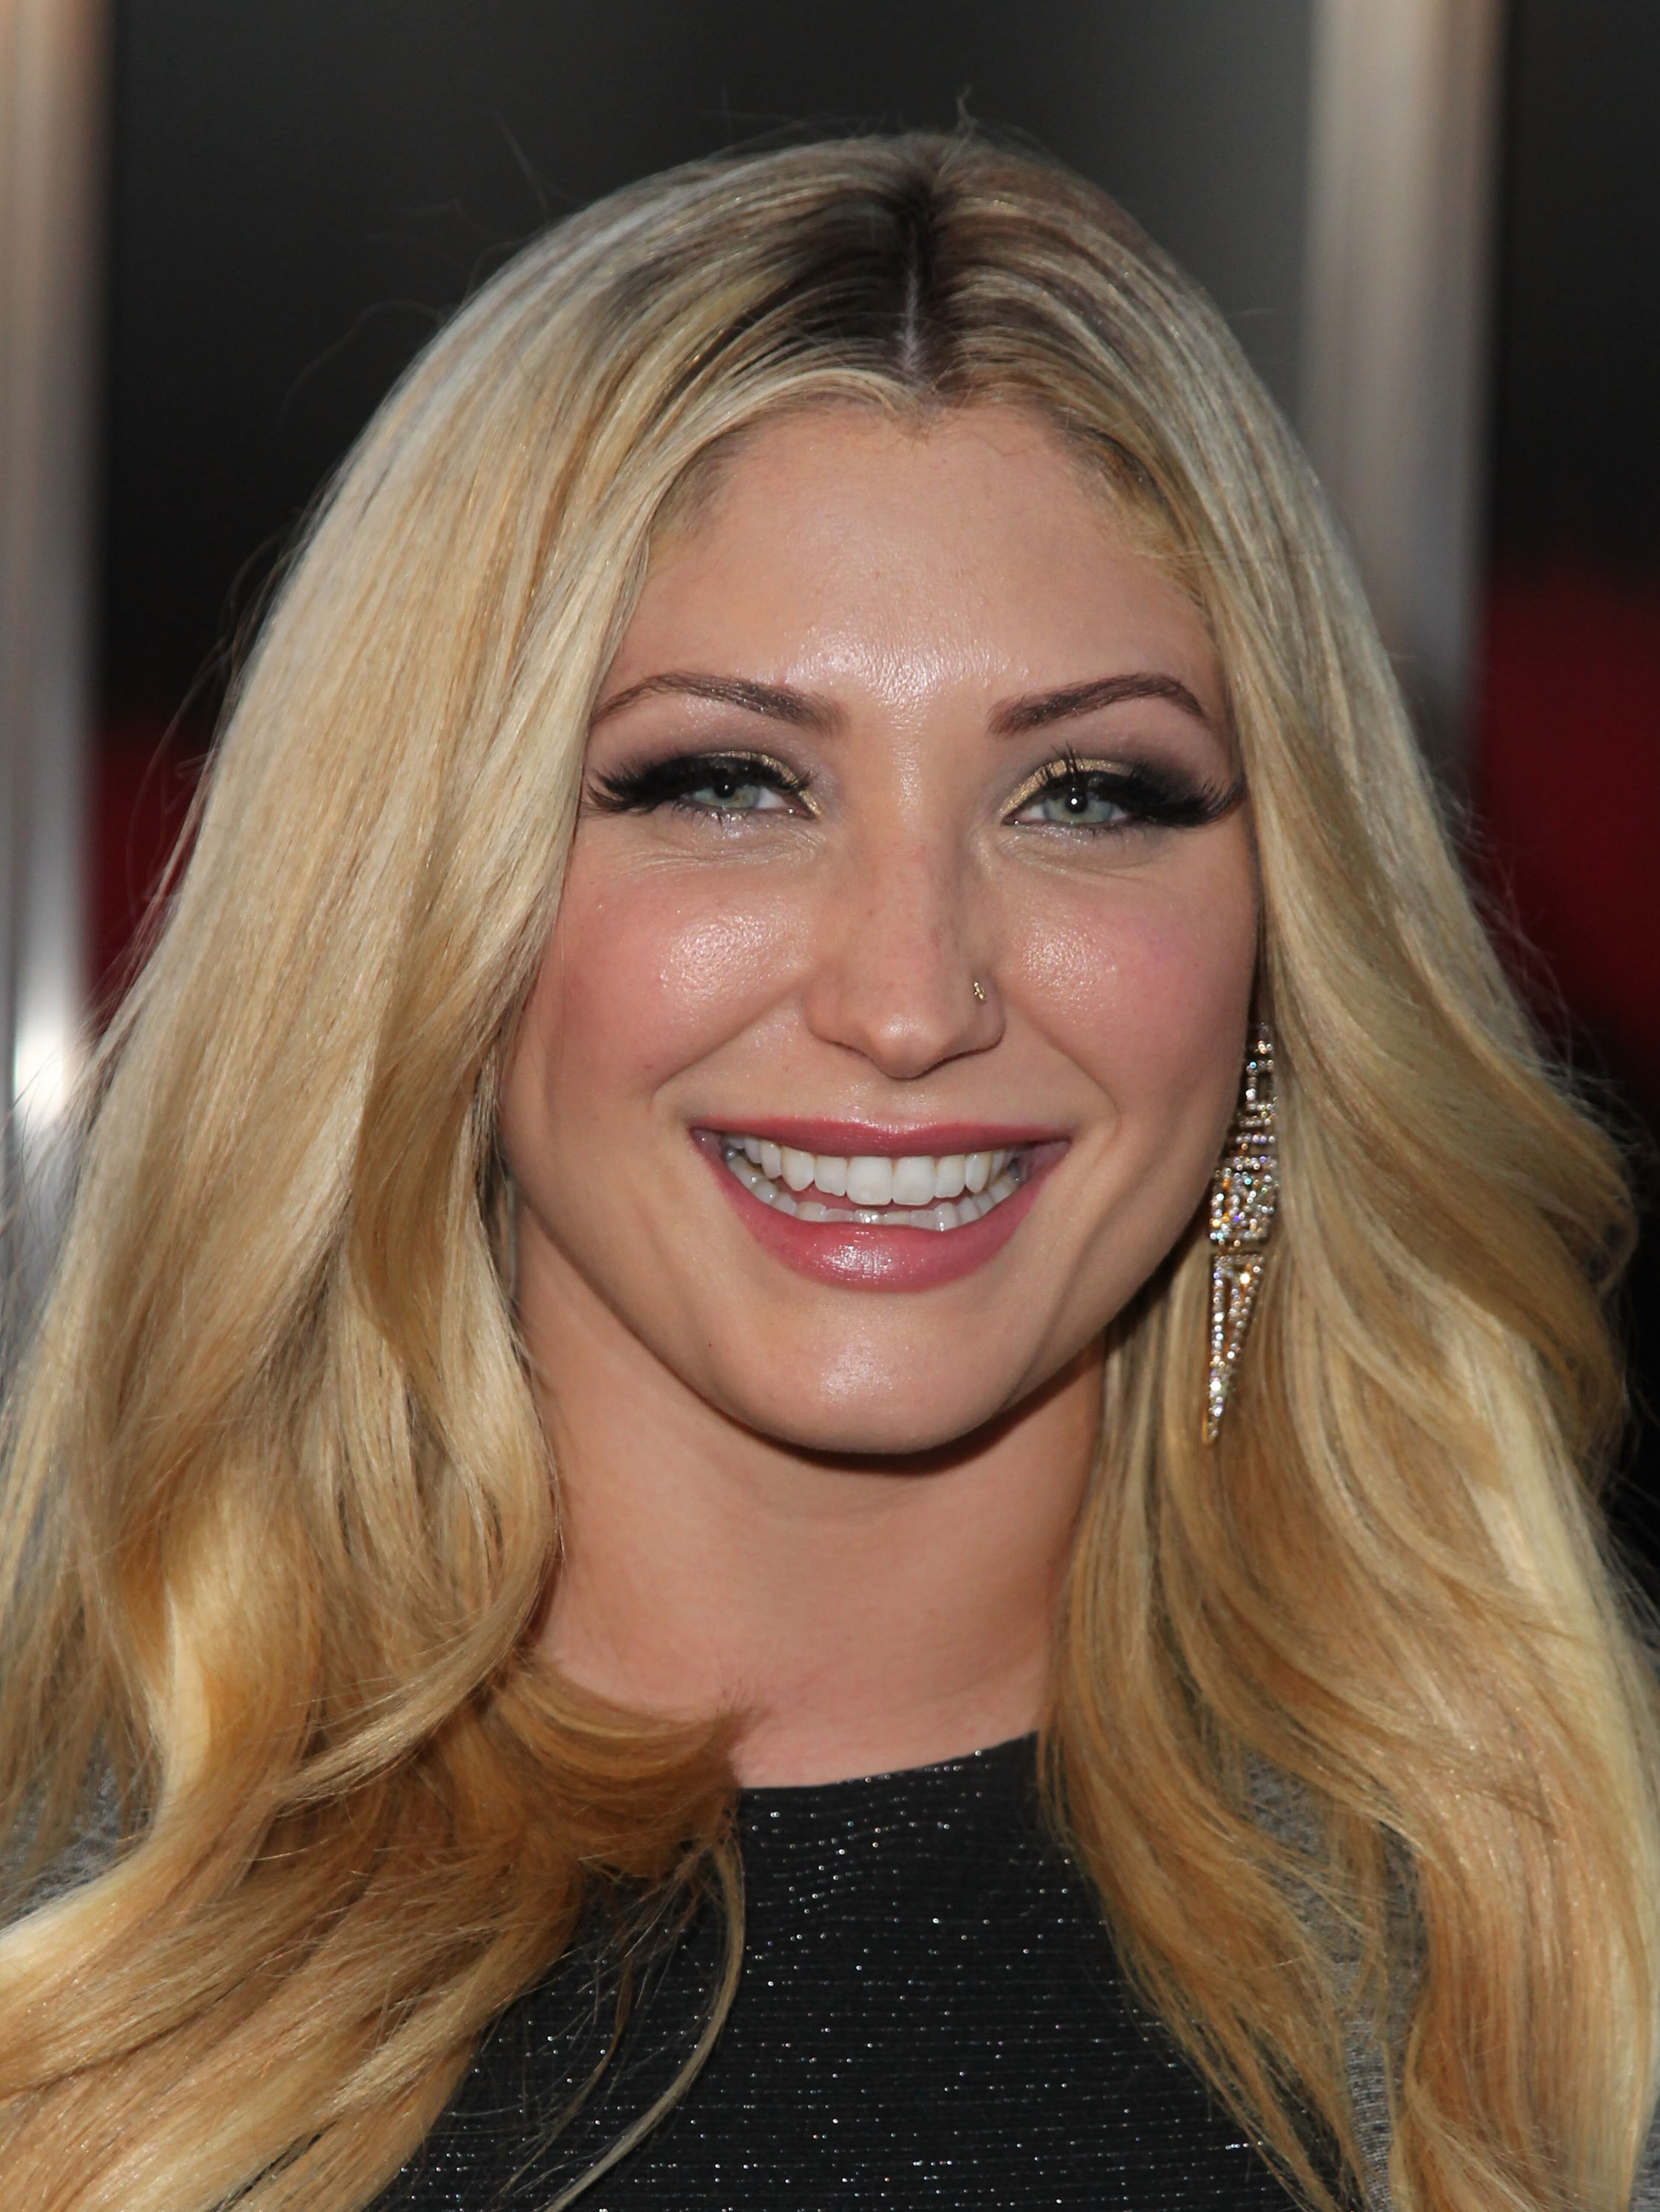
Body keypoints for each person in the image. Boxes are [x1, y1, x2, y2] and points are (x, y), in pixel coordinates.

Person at [0, 131, 1655, 2212]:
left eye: (1087, 793)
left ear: (1281, 956)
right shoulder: (64, 1987)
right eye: (725, 781)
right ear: (426, 913)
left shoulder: (1568, 2006)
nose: (908, 994)